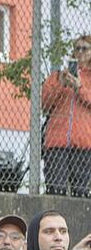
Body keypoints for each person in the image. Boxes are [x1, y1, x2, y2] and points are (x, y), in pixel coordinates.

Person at [42, 35, 91, 196]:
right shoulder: (57, 76)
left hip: (83, 143)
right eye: (78, 48)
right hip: (57, 141)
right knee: (56, 190)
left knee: (81, 192)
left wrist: (80, 87)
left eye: (85, 48)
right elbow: (45, 104)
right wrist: (60, 85)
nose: (81, 52)